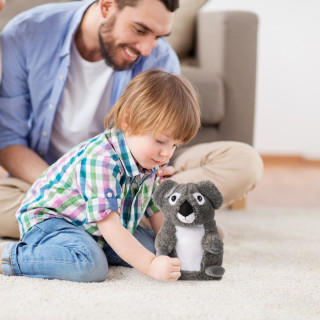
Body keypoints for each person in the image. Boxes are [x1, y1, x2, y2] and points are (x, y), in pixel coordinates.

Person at [0, 0, 263, 239]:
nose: (147, 48)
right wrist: (73, 188)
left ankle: (101, 224)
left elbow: (162, 146)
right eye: (140, 30)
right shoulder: (26, 34)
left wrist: (156, 175)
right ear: (106, 6)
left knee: (244, 162)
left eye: (158, 36)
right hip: (50, 180)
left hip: (132, 181)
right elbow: (9, 140)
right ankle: (153, 220)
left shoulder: (160, 58)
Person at [0, 69, 201, 281]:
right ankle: (10, 257)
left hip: (91, 228)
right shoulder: (102, 160)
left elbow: (156, 212)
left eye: (175, 146)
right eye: (160, 141)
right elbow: (111, 227)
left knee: (155, 247)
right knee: (91, 265)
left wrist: (169, 249)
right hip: (51, 222)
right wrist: (151, 265)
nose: (167, 153)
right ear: (127, 121)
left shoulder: (150, 160)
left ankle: (96, 248)